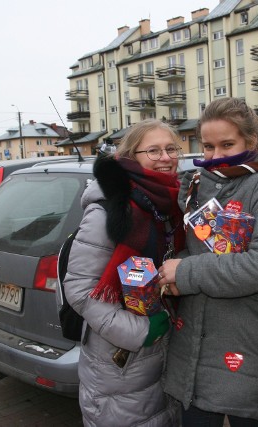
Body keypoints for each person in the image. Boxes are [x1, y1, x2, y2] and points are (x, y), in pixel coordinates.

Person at [158, 98, 258, 427]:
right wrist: (174, 271)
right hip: (192, 350)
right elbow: (202, 250)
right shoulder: (199, 185)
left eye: (227, 144)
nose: (216, 156)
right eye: (208, 146)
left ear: (252, 141)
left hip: (244, 347)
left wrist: (186, 272)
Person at [63, 119, 185, 427]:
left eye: (171, 148)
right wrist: (141, 333)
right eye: (153, 150)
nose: (165, 157)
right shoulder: (109, 211)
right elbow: (80, 290)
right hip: (121, 363)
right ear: (132, 157)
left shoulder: (174, 205)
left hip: (167, 357)